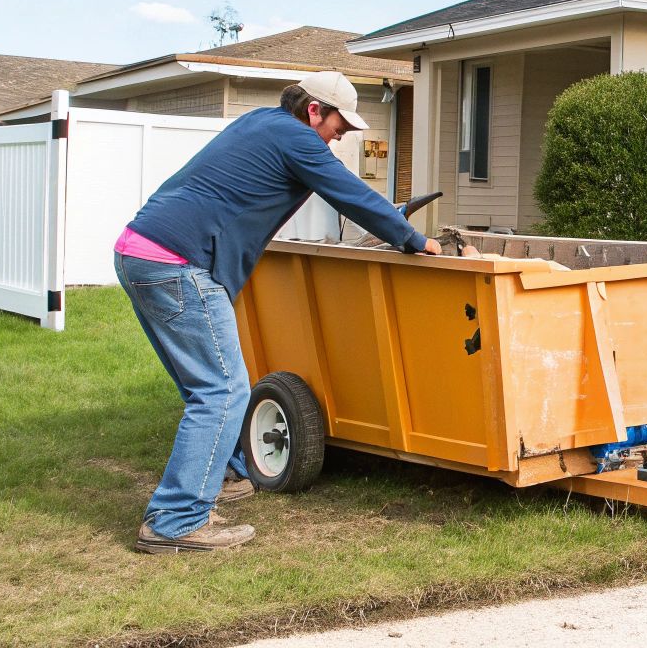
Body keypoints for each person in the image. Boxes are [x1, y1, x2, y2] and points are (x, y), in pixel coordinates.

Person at [114, 70, 438, 554]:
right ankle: (175, 520)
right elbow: (349, 192)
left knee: (204, 385)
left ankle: (223, 474)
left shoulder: (259, 123)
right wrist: (417, 240)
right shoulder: (297, 140)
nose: (341, 135)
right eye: (339, 125)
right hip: (177, 262)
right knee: (222, 389)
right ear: (313, 110)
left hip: (138, 250)